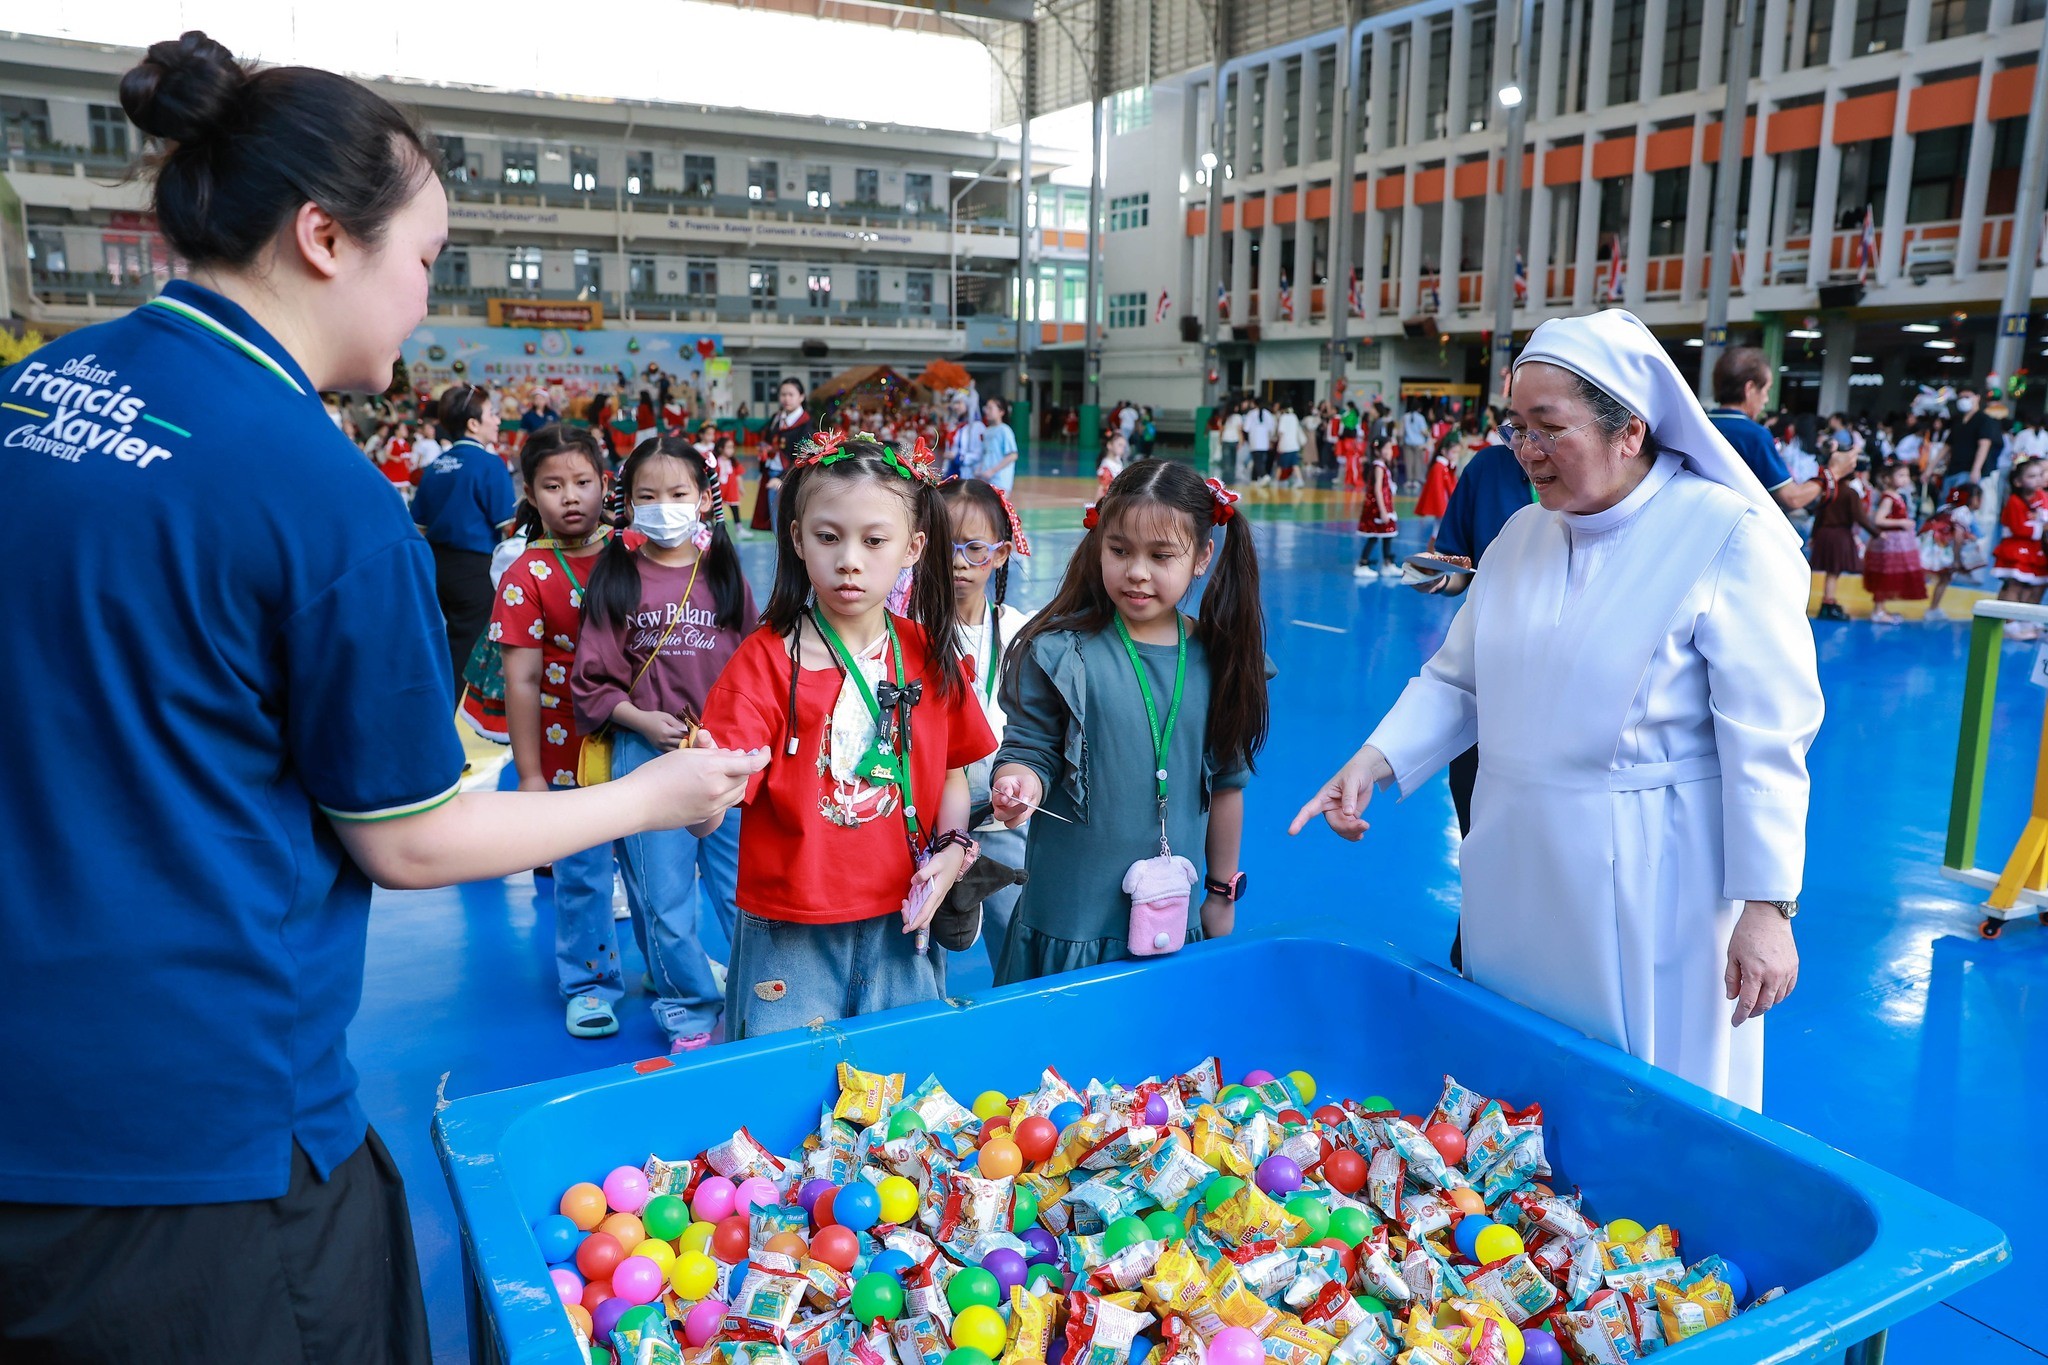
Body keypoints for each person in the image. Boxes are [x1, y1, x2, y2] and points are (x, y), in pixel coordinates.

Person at [0, 31, 767, 1362]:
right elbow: (409, 838)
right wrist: (655, 794)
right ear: (322, 238)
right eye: (423, 257)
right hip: (198, 1132)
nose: (425, 298)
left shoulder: (28, 395)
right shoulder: (319, 494)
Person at [1292, 308, 1820, 1109]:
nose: (1526, 450)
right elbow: (1459, 680)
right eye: (1517, 428)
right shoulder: (1520, 537)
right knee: (1515, 1081)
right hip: (1514, 866)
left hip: (1654, 881)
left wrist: (1768, 905)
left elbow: (1769, 734)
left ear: (1630, 430)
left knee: (1645, 1099)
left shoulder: (1725, 536)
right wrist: (1375, 761)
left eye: (1550, 428)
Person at [700, 433, 994, 1037]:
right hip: (790, 929)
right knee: (786, 1076)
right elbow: (708, 812)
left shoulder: (930, 656)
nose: (850, 560)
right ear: (797, 539)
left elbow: (952, 775)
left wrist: (951, 851)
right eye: (828, 537)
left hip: (903, 917)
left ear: (913, 547)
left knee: (903, 1074)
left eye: (874, 540)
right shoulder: (763, 664)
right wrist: (701, 791)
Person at [988, 460, 1268, 983]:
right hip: (1068, 917)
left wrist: (1220, 892)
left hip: (1170, 917)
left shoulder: (1220, 661)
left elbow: (1228, 786)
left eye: (1161, 556)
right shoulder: (1061, 652)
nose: (1136, 571)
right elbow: (1030, 747)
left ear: (1202, 556)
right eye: (1119, 551)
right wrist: (1019, 780)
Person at [573, 437, 755, 1051]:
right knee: (663, 896)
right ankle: (689, 1009)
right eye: (647, 495)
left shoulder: (724, 574)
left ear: (704, 499)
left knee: (742, 886)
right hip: (644, 757)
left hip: (723, 756)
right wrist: (643, 721)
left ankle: (761, 994)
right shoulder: (617, 577)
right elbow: (592, 680)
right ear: (627, 503)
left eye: (678, 493)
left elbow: (753, 665)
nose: (663, 506)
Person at [489, 425, 627, 1038]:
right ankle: (589, 984)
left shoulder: (636, 552)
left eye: (582, 481)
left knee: (659, 869)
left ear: (605, 483)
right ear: (530, 493)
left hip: (643, 738)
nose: (570, 496)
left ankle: (675, 973)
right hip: (565, 749)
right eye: (552, 485)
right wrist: (529, 776)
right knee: (581, 874)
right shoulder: (526, 575)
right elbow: (521, 682)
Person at [943, 478, 1035, 971]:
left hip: (1003, 821)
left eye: (974, 548)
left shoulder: (1020, 630)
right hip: (927, 823)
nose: (958, 561)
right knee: (918, 945)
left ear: (1000, 554)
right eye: (945, 545)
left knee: (1016, 945)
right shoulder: (904, 631)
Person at [414, 381, 518, 698]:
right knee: (469, 646)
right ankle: (454, 712)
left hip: (436, 565)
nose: (498, 420)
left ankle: (438, 701)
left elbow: (419, 526)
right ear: (473, 424)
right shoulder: (489, 464)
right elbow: (509, 527)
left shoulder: (436, 466)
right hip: (474, 569)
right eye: (492, 413)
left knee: (446, 639)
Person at [1708, 348, 1825, 514]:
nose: (1766, 399)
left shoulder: (1699, 423)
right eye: (1766, 390)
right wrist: (1831, 474)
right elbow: (1792, 498)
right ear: (1750, 388)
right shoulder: (1754, 435)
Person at [1862, 461, 1927, 624]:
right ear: (1888, 478)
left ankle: (1881, 608)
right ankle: (1878, 610)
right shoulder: (1889, 498)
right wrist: (1901, 523)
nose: (1905, 479)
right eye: (1900, 475)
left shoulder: (1897, 496)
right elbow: (1879, 520)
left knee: (1888, 574)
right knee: (1884, 574)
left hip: (1896, 543)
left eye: (1906, 475)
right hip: (1889, 544)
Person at [1991, 458, 2048, 640]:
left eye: (2039, 475)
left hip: (2036, 550)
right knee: (2014, 586)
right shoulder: (2014, 501)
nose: (2038, 479)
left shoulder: (2042, 496)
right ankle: (2009, 624)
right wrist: (2040, 528)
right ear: (2017, 482)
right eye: (2031, 476)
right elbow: (2019, 528)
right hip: (2017, 549)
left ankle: (2027, 619)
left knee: (2035, 585)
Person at [753, 376, 813, 531]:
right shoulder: (777, 417)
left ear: (801, 397)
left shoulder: (806, 423)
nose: (786, 399)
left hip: (792, 476)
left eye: (791, 394)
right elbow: (768, 440)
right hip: (772, 473)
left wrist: (782, 478)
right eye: (783, 394)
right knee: (776, 524)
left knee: (789, 523)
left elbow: (803, 455)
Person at [1920, 483, 1984, 622]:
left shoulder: (1946, 507)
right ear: (1972, 498)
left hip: (1930, 547)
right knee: (1945, 578)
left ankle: (1933, 607)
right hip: (1943, 549)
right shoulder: (1963, 512)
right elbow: (1958, 536)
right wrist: (1956, 558)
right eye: (1979, 498)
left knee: (1937, 576)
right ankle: (1933, 609)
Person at [1354, 436, 1400, 579]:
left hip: (1385, 506)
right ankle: (1362, 564)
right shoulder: (1378, 467)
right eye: (1386, 448)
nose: (1389, 451)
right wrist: (1383, 510)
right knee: (1373, 536)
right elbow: (1378, 490)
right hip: (1378, 508)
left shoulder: (1384, 466)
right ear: (1377, 451)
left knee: (1387, 535)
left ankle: (1387, 563)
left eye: (1390, 448)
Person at [1414, 430, 1457, 538]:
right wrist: (1442, 507)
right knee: (1438, 532)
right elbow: (1438, 490)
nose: (1456, 455)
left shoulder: (1446, 466)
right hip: (1443, 506)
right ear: (1444, 451)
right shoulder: (1439, 467)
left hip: (1445, 505)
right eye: (1453, 452)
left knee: (1438, 531)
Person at [978, 395, 1020, 493]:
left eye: (990, 408)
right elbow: (985, 454)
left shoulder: (1005, 430)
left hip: (1000, 480)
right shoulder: (987, 431)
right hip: (986, 479)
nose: (987, 411)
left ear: (1001, 412)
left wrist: (993, 471)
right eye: (986, 408)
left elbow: (1013, 455)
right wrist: (980, 469)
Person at [1243, 398, 1276, 485]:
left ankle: (1264, 475)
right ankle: (1254, 479)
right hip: (1264, 442)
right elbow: (1272, 429)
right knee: (1259, 460)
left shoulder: (1251, 414)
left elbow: (1246, 428)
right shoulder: (1268, 414)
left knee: (1257, 460)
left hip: (1255, 441)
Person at [1401, 402, 1430, 492]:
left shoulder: (1405, 417)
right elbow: (1423, 431)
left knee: (1409, 462)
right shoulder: (1421, 418)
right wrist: (1428, 435)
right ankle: (1416, 480)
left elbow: (1401, 431)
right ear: (1419, 409)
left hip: (1408, 442)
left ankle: (1409, 480)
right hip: (1419, 444)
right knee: (1418, 462)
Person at [1276, 402, 1303, 483]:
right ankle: (1300, 480)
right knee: (1295, 464)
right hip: (1294, 445)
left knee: (1280, 465)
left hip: (1285, 445)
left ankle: (1276, 481)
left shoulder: (1283, 417)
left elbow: (1281, 432)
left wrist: (1279, 445)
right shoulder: (1294, 417)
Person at [1097, 431, 1130, 495]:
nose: (1122, 449)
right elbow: (1101, 489)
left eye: (1124, 446)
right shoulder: (1105, 468)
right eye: (1119, 445)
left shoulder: (1118, 459)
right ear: (1109, 445)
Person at [1220, 400, 1245, 484]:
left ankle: (1225, 481)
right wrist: (1241, 441)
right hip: (1234, 441)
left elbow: (1221, 430)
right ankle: (1231, 480)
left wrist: (1220, 439)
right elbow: (1239, 430)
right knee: (1233, 462)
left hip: (1225, 440)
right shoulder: (1238, 417)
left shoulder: (1224, 416)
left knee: (1226, 462)